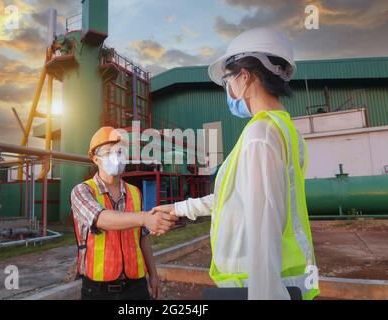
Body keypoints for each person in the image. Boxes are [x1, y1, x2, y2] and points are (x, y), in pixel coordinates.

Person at [153, 28, 320, 300]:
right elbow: (230, 198)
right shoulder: (286, 130)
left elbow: (263, 230)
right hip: (282, 280)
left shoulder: (260, 135)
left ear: (244, 76)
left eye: (228, 79)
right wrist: (179, 207)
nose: (228, 89)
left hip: (261, 286)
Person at [71, 126, 179, 300]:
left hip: (136, 286)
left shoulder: (135, 192)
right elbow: (100, 218)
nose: (116, 156)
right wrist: (144, 218)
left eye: (120, 150)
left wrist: (153, 275)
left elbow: (143, 237)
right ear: (95, 159)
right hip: (98, 290)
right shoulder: (82, 191)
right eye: (108, 151)